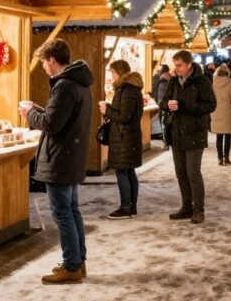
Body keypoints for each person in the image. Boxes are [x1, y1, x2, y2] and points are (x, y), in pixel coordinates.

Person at [18, 39, 93, 285]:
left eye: (43, 62)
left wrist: (30, 112)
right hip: (72, 156)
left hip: (60, 158)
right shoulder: (80, 84)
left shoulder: (64, 86)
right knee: (72, 210)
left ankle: (71, 265)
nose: (43, 67)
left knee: (62, 213)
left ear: (52, 60)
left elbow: (52, 124)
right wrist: (39, 108)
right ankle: (78, 261)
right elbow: (60, 117)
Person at [160, 50, 217, 224]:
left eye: (179, 66)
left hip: (194, 133)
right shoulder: (173, 82)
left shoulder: (201, 81)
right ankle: (186, 207)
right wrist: (167, 105)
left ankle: (198, 209)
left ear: (189, 64)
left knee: (193, 173)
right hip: (176, 133)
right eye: (175, 66)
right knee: (181, 173)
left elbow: (210, 105)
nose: (176, 69)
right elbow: (163, 102)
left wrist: (185, 106)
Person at [100, 60, 144, 220]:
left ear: (119, 72)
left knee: (122, 172)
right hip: (128, 137)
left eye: (112, 72)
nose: (111, 76)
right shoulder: (131, 89)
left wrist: (107, 110)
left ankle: (126, 207)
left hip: (124, 138)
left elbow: (124, 117)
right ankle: (131, 206)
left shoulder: (126, 90)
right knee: (129, 171)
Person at [154, 65, 173, 150]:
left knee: (164, 126)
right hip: (168, 107)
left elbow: (160, 99)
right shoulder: (169, 82)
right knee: (167, 126)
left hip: (164, 108)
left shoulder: (162, 83)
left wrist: (162, 105)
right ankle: (168, 143)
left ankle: (166, 144)